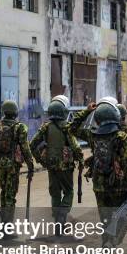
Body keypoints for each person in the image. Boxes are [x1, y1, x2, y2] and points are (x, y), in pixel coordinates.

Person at [70, 100, 127, 254]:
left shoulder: (93, 136)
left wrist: (86, 111)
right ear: (116, 117)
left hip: (99, 186)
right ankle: (112, 244)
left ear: (98, 119)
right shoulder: (122, 137)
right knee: (122, 217)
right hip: (119, 186)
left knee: (106, 220)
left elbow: (71, 128)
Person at [30, 95, 83, 231]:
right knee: (69, 191)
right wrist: (81, 159)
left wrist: (40, 160)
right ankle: (62, 216)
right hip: (66, 167)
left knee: (55, 193)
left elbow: (32, 144)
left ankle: (57, 219)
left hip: (51, 166)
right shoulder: (67, 127)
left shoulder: (46, 127)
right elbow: (75, 146)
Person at [0, 100, 34, 223]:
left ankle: (3, 222)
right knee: (10, 195)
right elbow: (25, 147)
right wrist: (30, 165)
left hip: (0, 164)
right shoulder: (20, 127)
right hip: (13, 165)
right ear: (15, 112)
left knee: (4, 192)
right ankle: (7, 226)